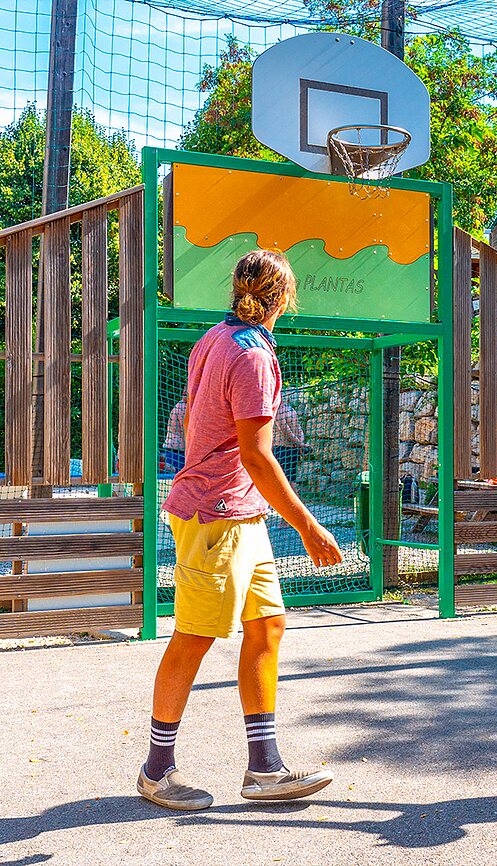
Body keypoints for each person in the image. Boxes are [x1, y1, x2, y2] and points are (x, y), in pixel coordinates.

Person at [137, 249, 344, 811]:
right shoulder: (251, 355)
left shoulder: (215, 338)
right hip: (216, 514)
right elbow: (257, 454)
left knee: (267, 627)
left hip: (239, 513)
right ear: (284, 298)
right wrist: (308, 526)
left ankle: (265, 770)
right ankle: (157, 770)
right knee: (194, 636)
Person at [272, 396, 308, 484]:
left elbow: (298, 427)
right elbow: (285, 430)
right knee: (284, 481)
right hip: (282, 449)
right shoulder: (278, 410)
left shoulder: (289, 409)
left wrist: (301, 443)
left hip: (293, 449)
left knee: (291, 479)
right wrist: (300, 444)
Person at [161, 398, 187, 474]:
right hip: (177, 454)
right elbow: (186, 431)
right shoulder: (183, 406)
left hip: (176, 452)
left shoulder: (181, 405)